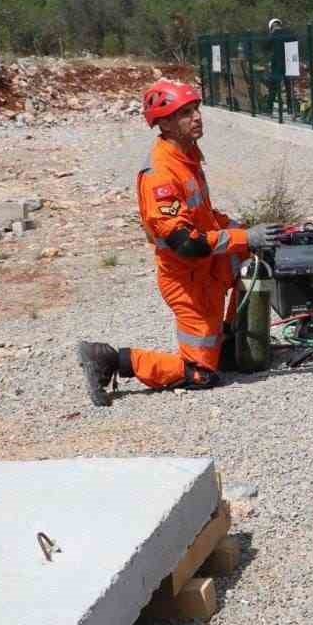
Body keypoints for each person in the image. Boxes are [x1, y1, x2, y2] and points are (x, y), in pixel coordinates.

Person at [77, 80, 281, 405]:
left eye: (196, 109)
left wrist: (249, 233)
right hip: (187, 279)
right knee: (201, 374)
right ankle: (112, 360)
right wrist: (245, 237)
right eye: (186, 113)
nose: (197, 117)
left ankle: (230, 341)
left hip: (206, 268)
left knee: (255, 259)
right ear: (165, 123)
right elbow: (187, 243)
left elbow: (204, 216)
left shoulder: (185, 156)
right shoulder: (160, 174)